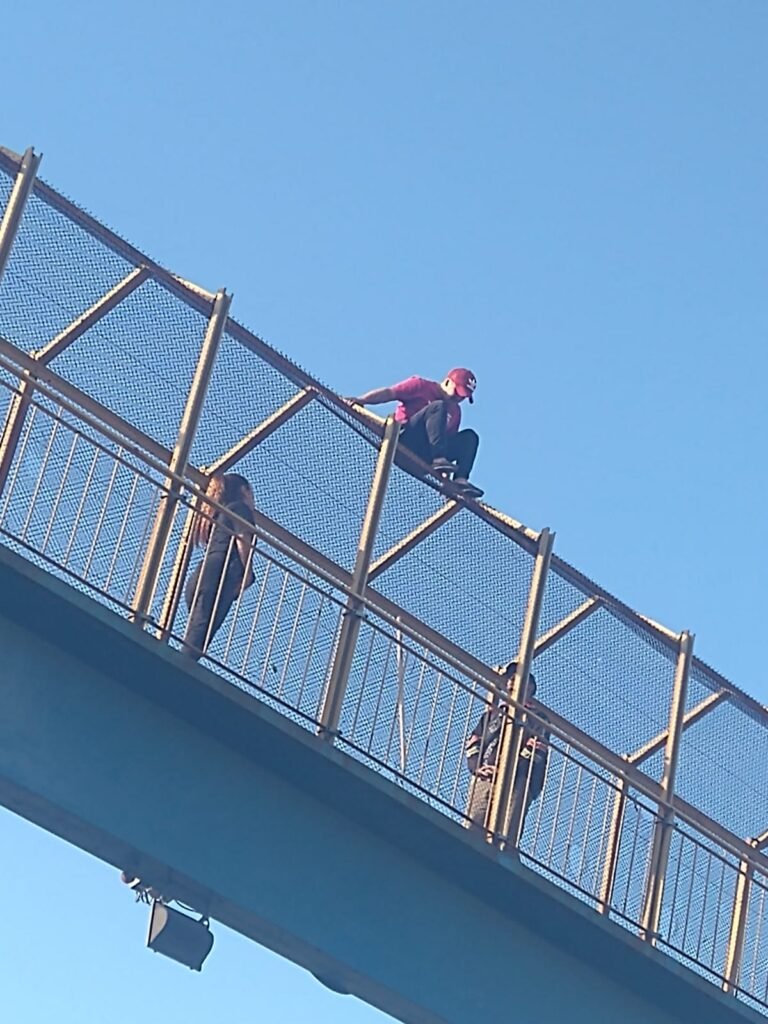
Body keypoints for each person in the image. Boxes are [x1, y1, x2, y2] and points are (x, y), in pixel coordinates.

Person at [349, 368, 483, 498]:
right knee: (439, 406)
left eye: (463, 396)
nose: (458, 398)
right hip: (406, 441)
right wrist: (363, 400)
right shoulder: (421, 386)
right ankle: (438, 458)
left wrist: (445, 481)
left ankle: (460, 480)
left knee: (470, 437)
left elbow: (445, 440)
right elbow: (389, 393)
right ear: (448, 382)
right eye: (457, 392)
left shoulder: (455, 411)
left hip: (426, 454)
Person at [465, 663, 550, 838]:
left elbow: (535, 752)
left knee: (506, 833)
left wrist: (506, 771)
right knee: (474, 824)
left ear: (530, 687)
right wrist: (477, 767)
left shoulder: (538, 719)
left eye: (516, 678)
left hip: (519, 781)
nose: (511, 682)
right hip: (487, 776)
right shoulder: (494, 714)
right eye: (509, 678)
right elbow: (473, 741)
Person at [183, 472, 256, 660]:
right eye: (252, 494)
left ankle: (180, 663)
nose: (253, 501)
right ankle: (175, 670)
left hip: (202, 575)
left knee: (197, 632)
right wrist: (247, 573)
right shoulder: (240, 508)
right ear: (244, 491)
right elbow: (242, 538)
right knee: (197, 642)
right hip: (220, 576)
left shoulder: (220, 512)